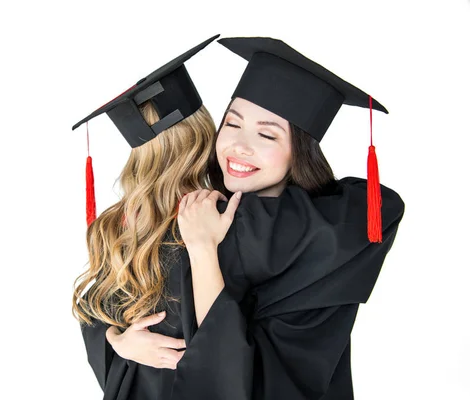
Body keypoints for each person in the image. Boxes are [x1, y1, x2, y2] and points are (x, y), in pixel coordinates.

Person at [167, 37, 405, 399]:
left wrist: (202, 248)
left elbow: (223, 370)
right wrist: (118, 342)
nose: (239, 146)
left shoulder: (330, 242)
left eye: (266, 134)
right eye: (232, 124)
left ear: (301, 152)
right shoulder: (201, 211)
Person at [70, 35, 225, 400]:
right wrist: (118, 341)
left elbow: (94, 308)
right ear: (204, 132)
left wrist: (116, 343)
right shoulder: (219, 218)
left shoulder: (117, 225)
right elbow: (98, 313)